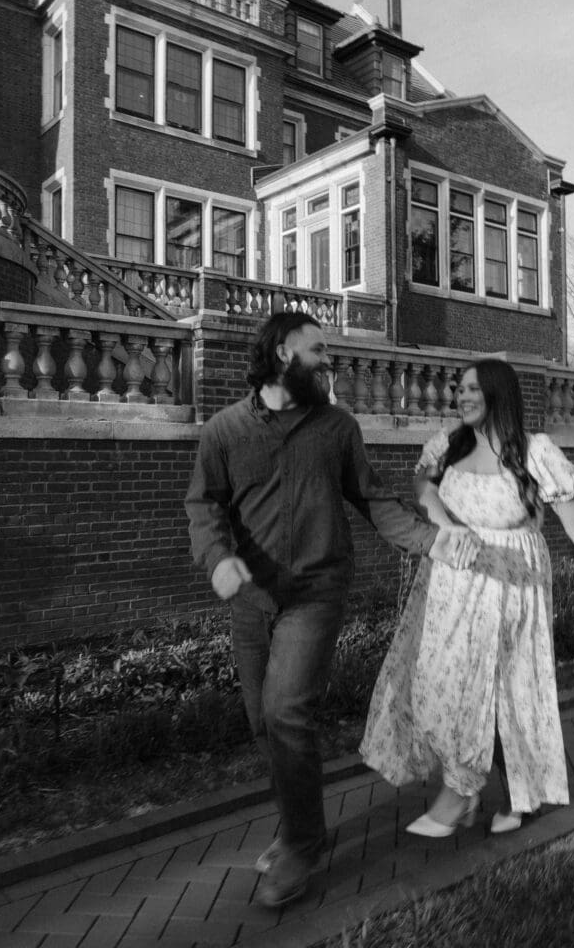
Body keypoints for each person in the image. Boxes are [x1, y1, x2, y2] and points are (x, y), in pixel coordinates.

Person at [184, 312, 468, 908]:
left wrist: (431, 540)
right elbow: (204, 505)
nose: (328, 360)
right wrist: (216, 559)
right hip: (252, 599)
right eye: (318, 350)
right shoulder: (224, 431)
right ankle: (296, 825)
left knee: (286, 711)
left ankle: (302, 846)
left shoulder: (336, 427)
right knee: (263, 722)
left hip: (316, 593)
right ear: (285, 352)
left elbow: (371, 498)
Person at [360, 357, 574, 837]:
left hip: (514, 585)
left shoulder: (534, 453)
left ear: (497, 394)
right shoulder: (446, 446)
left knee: (512, 691)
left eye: (471, 389)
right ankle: (466, 787)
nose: (461, 397)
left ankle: (495, 794)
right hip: (451, 582)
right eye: (458, 389)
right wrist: (447, 526)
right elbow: (422, 490)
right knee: (441, 682)